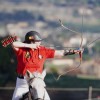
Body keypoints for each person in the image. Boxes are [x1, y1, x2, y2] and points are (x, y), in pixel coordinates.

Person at [12, 31, 82, 100]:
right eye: (37, 41)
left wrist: (74, 51)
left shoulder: (43, 50)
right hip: (22, 84)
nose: (39, 43)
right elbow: (14, 44)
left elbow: (60, 53)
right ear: (31, 41)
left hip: (37, 83)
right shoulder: (21, 50)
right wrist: (30, 46)